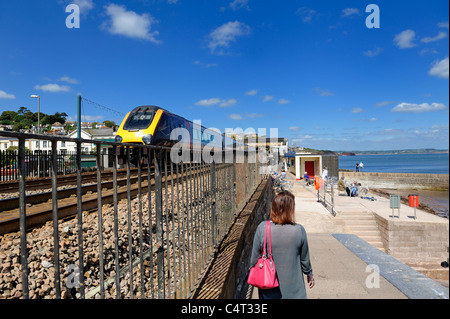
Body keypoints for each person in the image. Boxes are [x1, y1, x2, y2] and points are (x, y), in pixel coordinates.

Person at [250, 191, 315, 299]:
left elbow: (254, 258)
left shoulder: (263, 228)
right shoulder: (299, 230)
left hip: (269, 288)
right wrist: (309, 274)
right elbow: (305, 259)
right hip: (295, 290)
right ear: (290, 210)